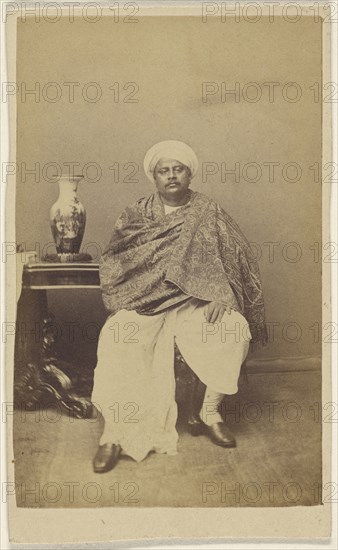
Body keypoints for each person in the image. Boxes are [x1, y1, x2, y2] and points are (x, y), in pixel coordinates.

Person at [91, 140, 267, 473]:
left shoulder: (207, 210)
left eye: (178, 169)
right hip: (143, 302)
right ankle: (114, 433)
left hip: (194, 302)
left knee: (233, 328)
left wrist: (221, 294)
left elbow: (236, 258)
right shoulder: (135, 214)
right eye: (164, 170)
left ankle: (210, 412)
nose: (171, 176)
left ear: (189, 174)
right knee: (116, 336)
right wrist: (126, 299)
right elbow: (114, 260)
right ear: (153, 176)